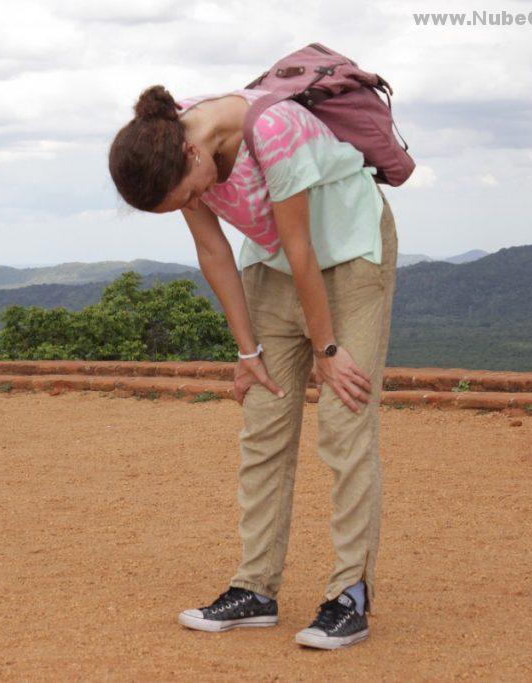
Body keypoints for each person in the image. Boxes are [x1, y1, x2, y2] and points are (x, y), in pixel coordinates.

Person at [108, 84, 398, 650]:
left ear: (193, 156)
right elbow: (214, 251)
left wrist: (328, 351)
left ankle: (349, 595)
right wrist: (248, 354)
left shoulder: (273, 132)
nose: (192, 204)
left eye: (186, 195)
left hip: (349, 259)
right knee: (263, 422)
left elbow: (303, 251)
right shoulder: (170, 144)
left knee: (345, 423)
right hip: (272, 268)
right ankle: (255, 589)